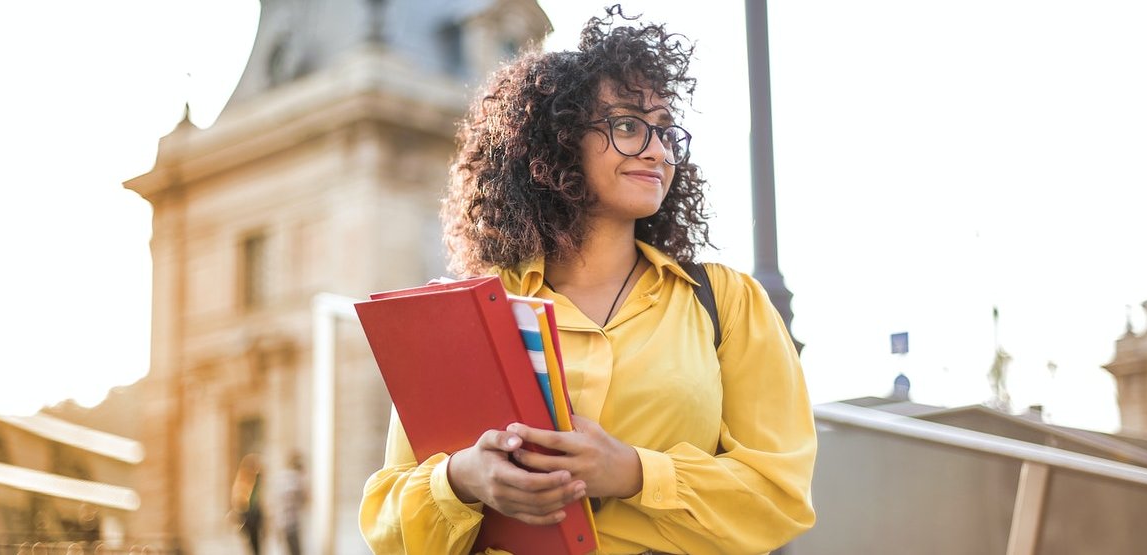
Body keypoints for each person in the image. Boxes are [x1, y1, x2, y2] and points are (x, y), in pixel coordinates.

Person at [360, 6, 816, 554]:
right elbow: (386, 524)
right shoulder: (467, 315)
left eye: (667, 132)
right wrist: (460, 480)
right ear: (557, 142)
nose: (657, 150)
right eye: (627, 125)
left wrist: (632, 472)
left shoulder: (727, 303)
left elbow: (781, 494)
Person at [276, 452, 309, 555]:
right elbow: (305, 500)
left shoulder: (282, 478)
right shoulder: (296, 480)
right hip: (292, 524)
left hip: (282, 522)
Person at [232, 453, 264, 554]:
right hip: (248, 515)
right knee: (252, 543)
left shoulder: (252, 479)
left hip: (253, 515)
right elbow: (240, 500)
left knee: (255, 543)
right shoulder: (244, 480)